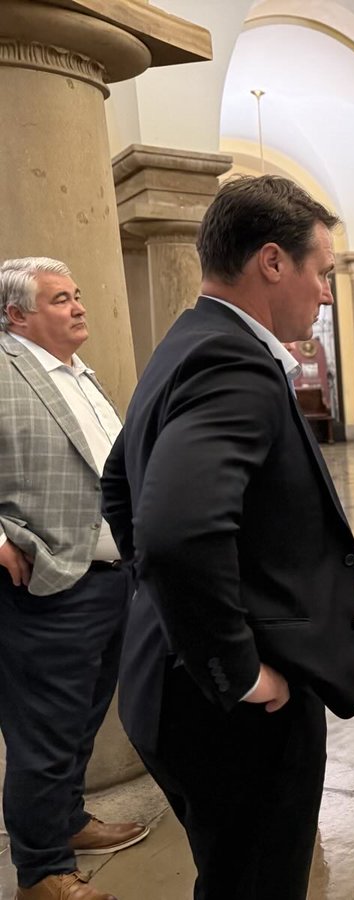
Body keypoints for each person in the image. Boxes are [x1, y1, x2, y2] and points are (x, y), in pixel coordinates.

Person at [101, 176, 354, 899]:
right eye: (325, 274)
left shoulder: (187, 338)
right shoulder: (234, 364)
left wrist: (162, 608)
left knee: (230, 874)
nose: (329, 296)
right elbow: (176, 531)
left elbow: (117, 482)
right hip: (233, 715)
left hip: (169, 682)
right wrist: (238, 669)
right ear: (273, 262)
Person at [0, 257, 147, 900]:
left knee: (82, 718)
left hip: (110, 577)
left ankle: (68, 821)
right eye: (61, 299)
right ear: (17, 315)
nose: (79, 306)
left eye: (78, 295)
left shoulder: (79, 373)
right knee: (43, 731)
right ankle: (41, 870)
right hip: (47, 582)